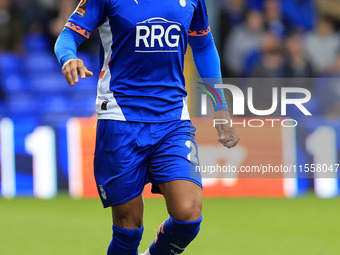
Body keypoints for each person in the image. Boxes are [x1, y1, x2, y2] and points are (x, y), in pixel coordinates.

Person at [54, 0, 239, 254]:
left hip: (173, 118)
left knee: (188, 215)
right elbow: (67, 36)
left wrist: (220, 106)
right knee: (129, 226)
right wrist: (69, 57)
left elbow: (204, 45)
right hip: (120, 119)